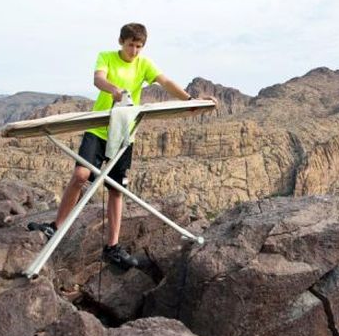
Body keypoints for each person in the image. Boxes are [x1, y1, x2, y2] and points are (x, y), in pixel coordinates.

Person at [29, 22, 216, 269]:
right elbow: (99, 79)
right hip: (98, 129)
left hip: (124, 133)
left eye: (139, 46)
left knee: (116, 189)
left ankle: (113, 247)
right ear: (121, 42)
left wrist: (190, 100)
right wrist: (113, 90)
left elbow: (165, 81)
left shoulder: (144, 64)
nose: (135, 51)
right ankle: (56, 226)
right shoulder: (106, 57)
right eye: (131, 45)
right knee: (80, 174)